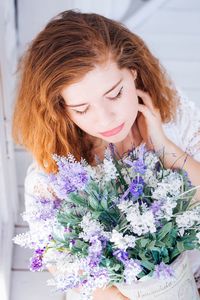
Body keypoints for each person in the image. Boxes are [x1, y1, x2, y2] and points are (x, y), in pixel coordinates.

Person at [12, 10, 200, 300]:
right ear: (60, 108)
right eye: (82, 109)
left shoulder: (172, 117)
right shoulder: (55, 169)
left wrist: (163, 144)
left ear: (133, 73)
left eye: (114, 94)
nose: (106, 120)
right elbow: (59, 259)